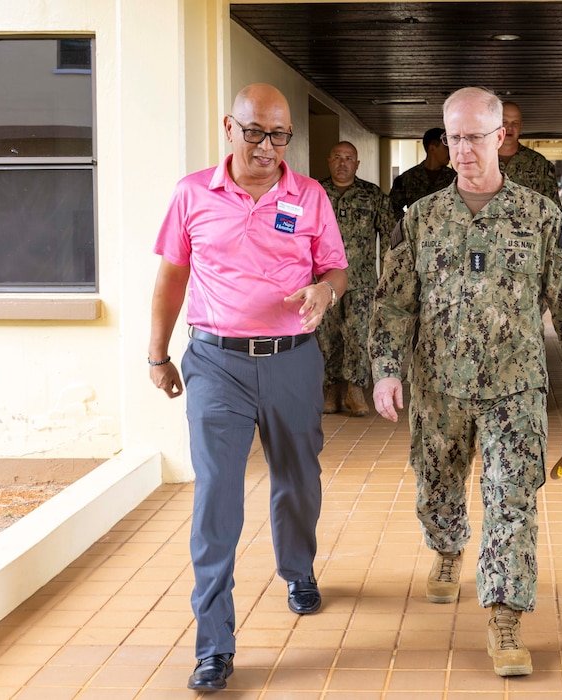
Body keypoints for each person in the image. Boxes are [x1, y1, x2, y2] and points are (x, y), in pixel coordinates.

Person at [369, 86, 562, 678]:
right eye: (453, 136)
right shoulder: (419, 219)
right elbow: (393, 306)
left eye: (475, 136)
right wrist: (386, 369)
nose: (463, 149)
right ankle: (447, 548)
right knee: (438, 482)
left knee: (513, 500)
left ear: (501, 137)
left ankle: (505, 616)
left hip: (515, 387)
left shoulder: (539, 215)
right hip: (437, 386)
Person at [147, 84, 347, 691]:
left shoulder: (308, 196)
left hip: (292, 359)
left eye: (279, 134)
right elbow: (171, 279)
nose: (267, 146)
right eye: (255, 131)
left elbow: (335, 268)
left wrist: (325, 290)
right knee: (216, 497)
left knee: (298, 478)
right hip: (216, 362)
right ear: (229, 128)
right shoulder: (192, 194)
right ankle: (214, 645)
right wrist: (157, 355)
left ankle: (297, 568)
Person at [316, 141, 395, 417]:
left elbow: (388, 235)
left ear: (357, 164)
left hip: (361, 280)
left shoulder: (371, 195)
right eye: (337, 157)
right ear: (329, 160)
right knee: (327, 335)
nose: (342, 163)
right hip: (322, 280)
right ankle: (332, 389)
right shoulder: (316, 192)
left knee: (360, 335)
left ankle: (355, 387)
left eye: (348, 158)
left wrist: (388, 275)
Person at [498, 101, 562, 208]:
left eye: (515, 122)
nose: (509, 127)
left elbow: (553, 210)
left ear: (521, 126)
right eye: (504, 121)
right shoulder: (479, 160)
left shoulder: (540, 164)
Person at [388, 127, 456, 220]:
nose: (450, 152)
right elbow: (391, 208)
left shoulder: (455, 179)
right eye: (446, 147)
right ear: (432, 148)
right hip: (417, 234)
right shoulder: (407, 179)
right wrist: (408, 224)